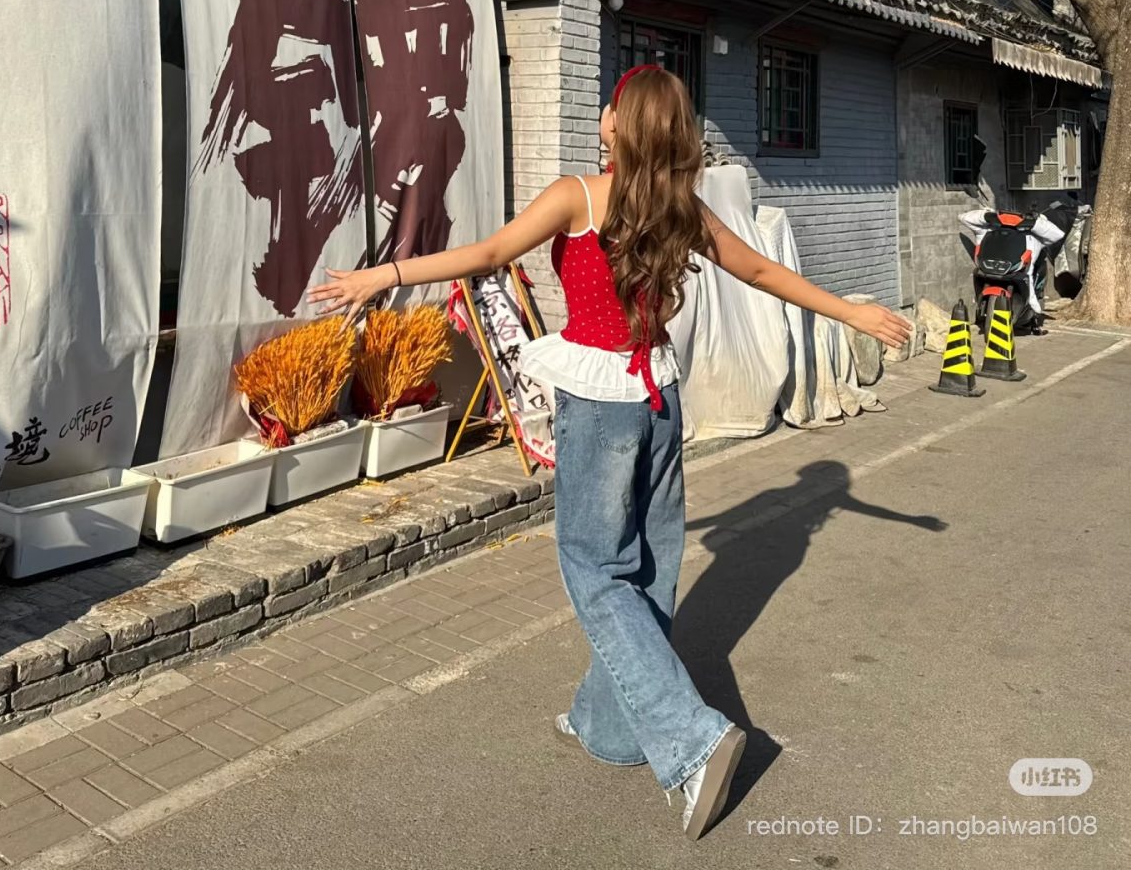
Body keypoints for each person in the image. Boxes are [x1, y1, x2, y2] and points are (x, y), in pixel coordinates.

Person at [311, 64, 911, 841]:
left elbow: (489, 254)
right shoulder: (682, 207)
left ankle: (692, 741)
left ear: (619, 125)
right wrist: (852, 313)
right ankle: (609, 726)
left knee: (595, 572)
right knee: (650, 569)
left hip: (601, 404)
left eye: (610, 105)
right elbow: (762, 271)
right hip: (660, 398)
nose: (601, 113)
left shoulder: (578, 196)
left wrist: (382, 275)